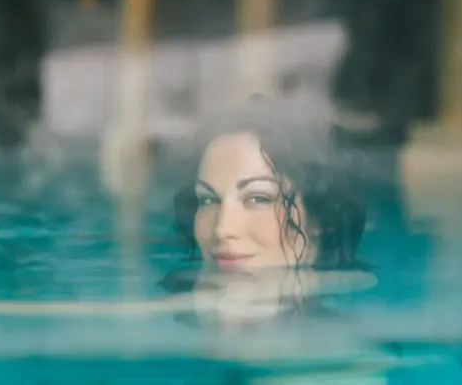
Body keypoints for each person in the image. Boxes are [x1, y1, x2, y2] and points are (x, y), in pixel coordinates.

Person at [160, 94, 375, 326]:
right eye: (209, 200)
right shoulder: (167, 327)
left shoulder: (355, 351)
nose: (222, 228)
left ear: (317, 220)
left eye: (257, 198)